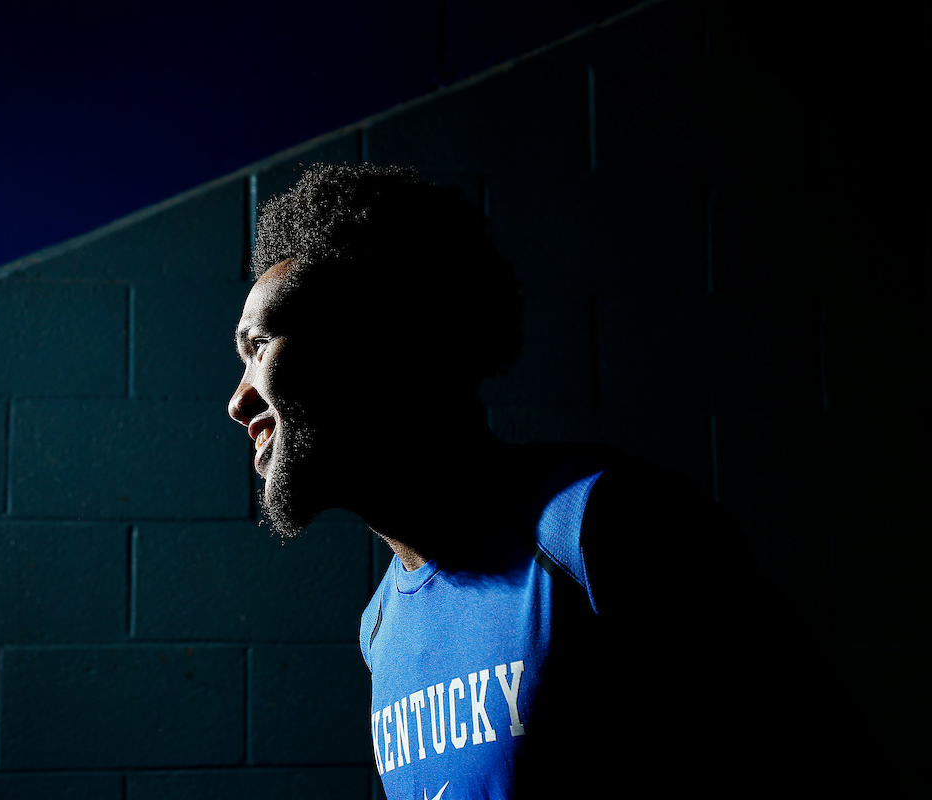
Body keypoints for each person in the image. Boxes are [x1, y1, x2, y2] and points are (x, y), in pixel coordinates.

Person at [227, 164, 882, 798]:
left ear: (376, 334)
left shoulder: (603, 525)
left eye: (259, 347)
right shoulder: (380, 630)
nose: (238, 400)